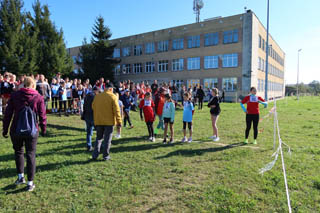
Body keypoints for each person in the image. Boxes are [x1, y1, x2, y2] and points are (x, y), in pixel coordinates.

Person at [2, 77, 47, 192]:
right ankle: (30, 183)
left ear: (23, 84)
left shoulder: (15, 95)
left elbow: (8, 114)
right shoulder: (38, 97)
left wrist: (5, 129)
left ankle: (20, 177)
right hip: (32, 130)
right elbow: (42, 115)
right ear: (33, 85)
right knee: (31, 154)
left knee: (18, 152)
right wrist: (43, 128)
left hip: (16, 129)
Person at [92, 83, 122, 161]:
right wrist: (119, 121)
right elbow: (117, 110)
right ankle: (105, 156)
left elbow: (93, 107)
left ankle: (95, 155)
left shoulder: (97, 96)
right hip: (109, 122)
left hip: (99, 121)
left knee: (98, 138)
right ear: (111, 89)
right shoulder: (113, 96)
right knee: (107, 139)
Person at [82, 87, 99, 151]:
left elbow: (84, 106)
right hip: (93, 115)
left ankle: (89, 146)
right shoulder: (95, 97)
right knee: (99, 132)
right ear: (96, 91)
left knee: (89, 132)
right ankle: (99, 146)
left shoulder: (87, 96)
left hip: (87, 115)